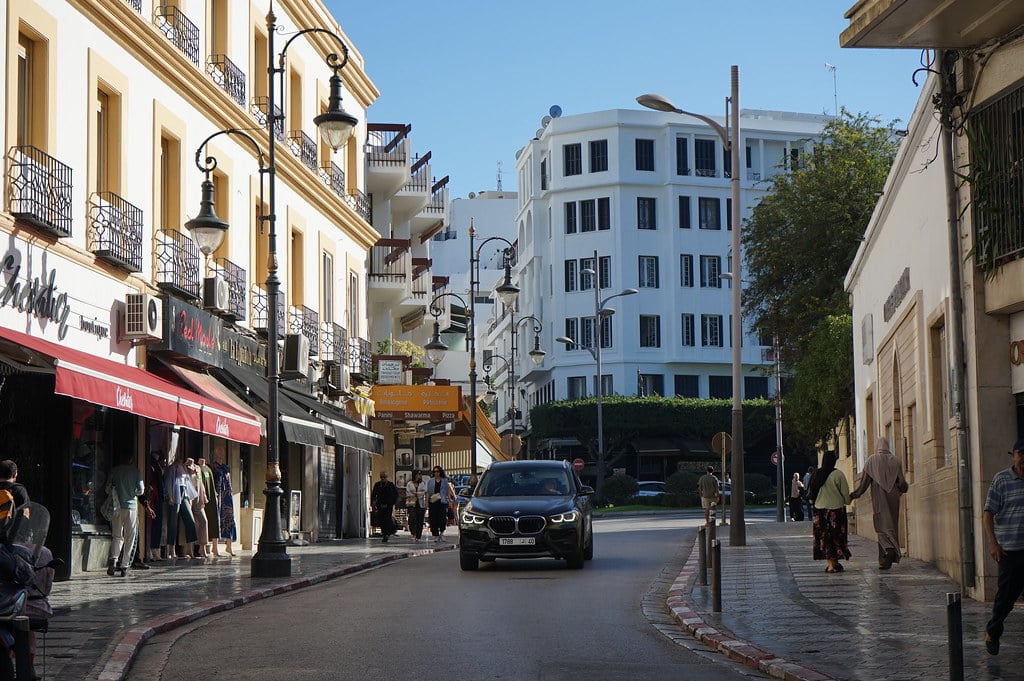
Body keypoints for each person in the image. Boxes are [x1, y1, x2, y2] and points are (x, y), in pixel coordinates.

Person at [982, 439, 1024, 655]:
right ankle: (993, 632)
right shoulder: (1001, 480)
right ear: (1013, 456)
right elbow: (988, 513)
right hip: (1009, 551)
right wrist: (993, 543)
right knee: (1005, 599)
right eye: (1021, 454)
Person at [850, 436, 909, 570]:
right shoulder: (896, 461)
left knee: (881, 524)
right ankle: (884, 559)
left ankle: (889, 549)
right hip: (893, 497)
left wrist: (854, 495)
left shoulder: (871, 460)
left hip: (879, 497)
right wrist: (903, 489)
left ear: (878, 446)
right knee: (891, 525)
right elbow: (902, 483)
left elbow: (864, 483)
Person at [107, 452, 154, 577]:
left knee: (117, 536)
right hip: (131, 508)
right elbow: (140, 491)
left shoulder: (114, 471)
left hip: (116, 507)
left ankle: (113, 559)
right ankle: (124, 566)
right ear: (131, 460)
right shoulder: (136, 472)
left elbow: (107, 488)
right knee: (130, 538)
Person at [809, 451, 851, 574]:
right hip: (836, 511)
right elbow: (846, 497)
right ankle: (833, 564)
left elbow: (811, 495)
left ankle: (832, 564)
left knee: (824, 536)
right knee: (836, 536)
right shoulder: (838, 474)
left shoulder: (816, 474)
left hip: (820, 510)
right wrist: (848, 499)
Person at [163, 457, 198, 559]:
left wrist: (190, 496)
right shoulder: (171, 469)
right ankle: (172, 550)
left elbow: (188, 481)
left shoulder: (183, 468)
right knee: (173, 522)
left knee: (190, 520)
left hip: (184, 493)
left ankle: (190, 550)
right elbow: (168, 482)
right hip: (175, 493)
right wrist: (170, 496)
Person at [213, 452, 236, 557]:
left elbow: (229, 481)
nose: (220, 453)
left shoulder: (226, 468)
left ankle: (229, 546)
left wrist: (230, 493)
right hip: (219, 495)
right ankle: (215, 547)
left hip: (227, 496)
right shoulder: (213, 468)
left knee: (230, 519)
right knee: (217, 520)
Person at [186, 458, 210, 558]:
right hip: (189, 498)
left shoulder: (198, 469)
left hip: (198, 499)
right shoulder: (184, 469)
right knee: (190, 524)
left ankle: (202, 547)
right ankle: (189, 550)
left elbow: (201, 483)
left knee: (204, 521)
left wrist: (204, 495)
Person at [197, 457, 221, 557]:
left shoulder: (208, 469)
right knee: (203, 522)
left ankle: (215, 548)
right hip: (201, 498)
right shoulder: (197, 468)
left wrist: (215, 495)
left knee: (214, 521)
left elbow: (211, 483)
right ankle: (202, 548)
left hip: (211, 497)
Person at [427, 466, 455, 542]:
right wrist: (427, 503)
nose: (436, 473)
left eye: (438, 471)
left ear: (440, 472)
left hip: (442, 501)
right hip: (433, 501)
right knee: (433, 519)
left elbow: (447, 492)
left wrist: (449, 500)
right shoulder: (431, 481)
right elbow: (428, 493)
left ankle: (442, 532)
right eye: (435, 471)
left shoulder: (444, 481)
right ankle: (435, 535)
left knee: (442, 518)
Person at [371, 471, 398, 542]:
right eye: (381, 477)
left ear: (387, 477)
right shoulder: (377, 485)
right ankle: (384, 533)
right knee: (381, 519)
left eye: (384, 477)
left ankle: (387, 533)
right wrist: (373, 504)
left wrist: (392, 502)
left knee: (387, 518)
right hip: (380, 504)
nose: (383, 479)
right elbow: (374, 495)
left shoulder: (390, 485)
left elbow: (395, 494)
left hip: (388, 505)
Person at [405, 470, 427, 542]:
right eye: (418, 474)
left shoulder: (422, 483)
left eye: (420, 474)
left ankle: (418, 536)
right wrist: (418, 493)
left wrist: (416, 493)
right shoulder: (409, 483)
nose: (420, 475)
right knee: (412, 518)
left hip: (421, 504)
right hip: (412, 503)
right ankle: (413, 533)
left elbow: (424, 492)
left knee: (420, 520)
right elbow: (408, 493)